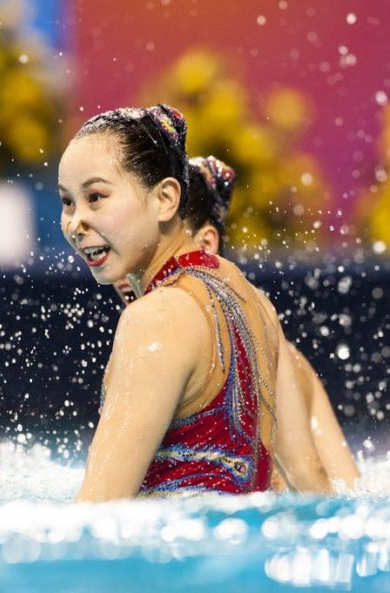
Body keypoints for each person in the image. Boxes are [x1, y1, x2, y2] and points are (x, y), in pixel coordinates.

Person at [58, 104, 334, 501]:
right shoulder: (253, 298)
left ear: (165, 198)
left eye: (96, 197)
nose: (74, 223)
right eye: (67, 201)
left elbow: (97, 512)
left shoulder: (153, 319)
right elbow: (311, 479)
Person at [118, 154, 359, 488]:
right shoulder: (149, 343)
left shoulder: (280, 360)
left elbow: (327, 484)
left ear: (205, 244)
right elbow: (342, 494)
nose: (130, 264)